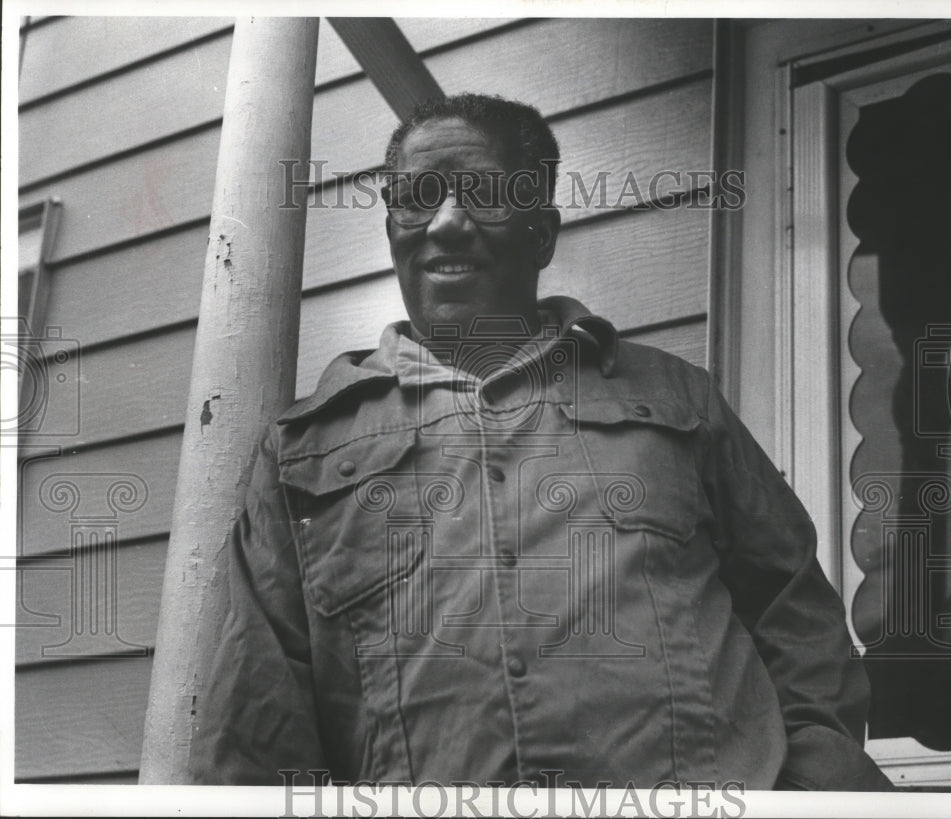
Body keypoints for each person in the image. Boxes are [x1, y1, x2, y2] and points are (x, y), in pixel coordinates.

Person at [190, 93, 893, 791]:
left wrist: (810, 792)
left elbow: (795, 612)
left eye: (486, 195)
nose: (447, 224)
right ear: (392, 229)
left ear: (543, 234)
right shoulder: (303, 452)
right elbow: (256, 733)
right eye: (420, 197)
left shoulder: (680, 400)